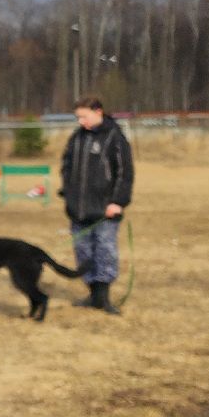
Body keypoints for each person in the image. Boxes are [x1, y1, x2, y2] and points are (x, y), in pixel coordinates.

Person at [58, 95, 133, 315]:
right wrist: (68, 192)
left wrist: (118, 202)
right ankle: (92, 293)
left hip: (105, 210)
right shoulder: (77, 138)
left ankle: (104, 297)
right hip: (78, 209)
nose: (81, 121)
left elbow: (124, 173)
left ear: (98, 112)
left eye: (84, 116)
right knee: (83, 252)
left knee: (105, 250)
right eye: (78, 117)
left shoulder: (115, 137)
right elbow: (66, 165)